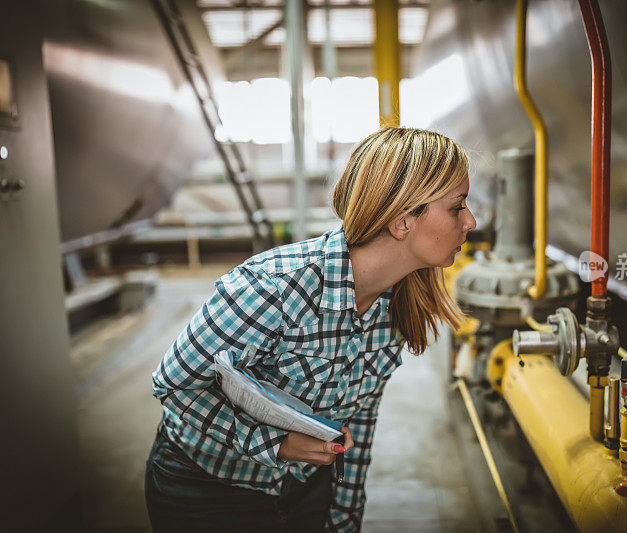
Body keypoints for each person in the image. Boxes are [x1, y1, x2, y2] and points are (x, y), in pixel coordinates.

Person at [144, 127, 477, 532]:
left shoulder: (398, 303)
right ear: (402, 219)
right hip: (208, 492)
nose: (471, 221)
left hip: (306, 489)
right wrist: (276, 445)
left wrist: (344, 518)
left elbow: (358, 425)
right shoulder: (272, 289)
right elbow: (174, 385)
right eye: (457, 207)